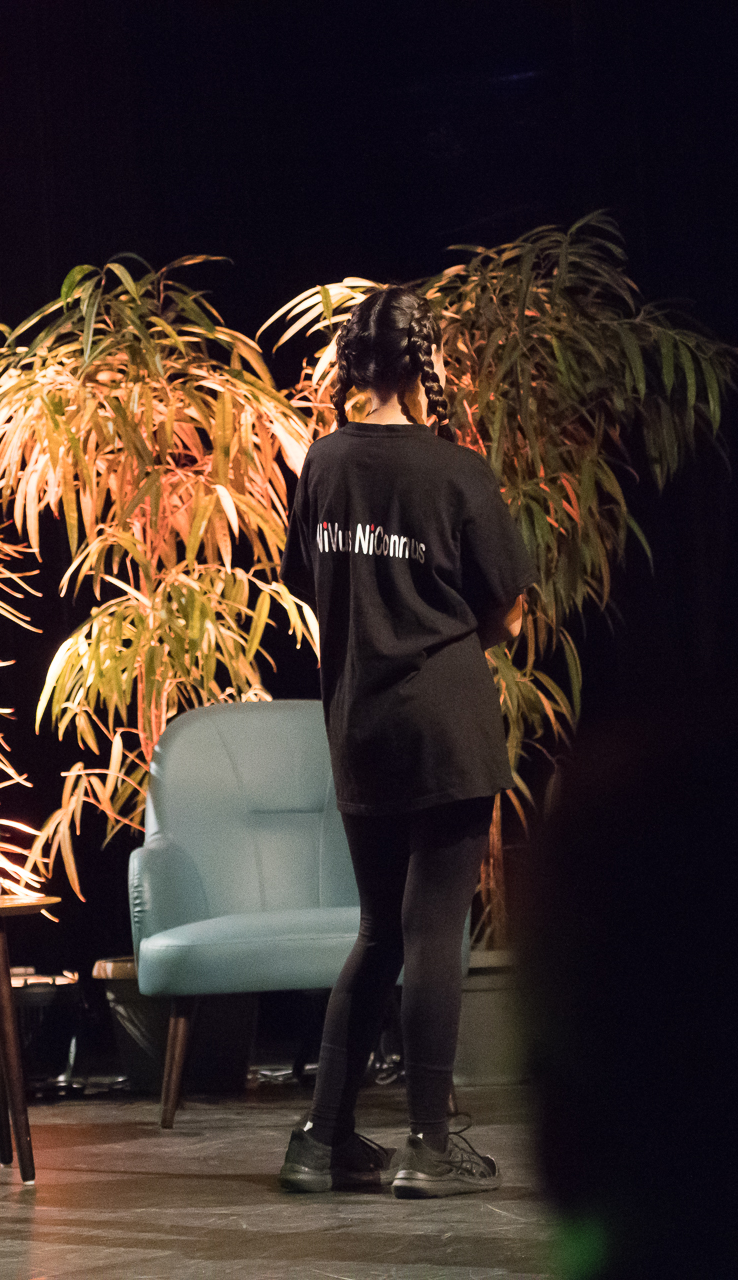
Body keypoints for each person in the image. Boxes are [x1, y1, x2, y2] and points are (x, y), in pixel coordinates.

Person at [277, 286, 534, 1198]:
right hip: (445, 723)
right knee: (432, 935)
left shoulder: (322, 463)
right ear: (425, 364)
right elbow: (507, 610)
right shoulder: (456, 471)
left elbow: (309, 580)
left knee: (378, 930)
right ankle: (429, 1145)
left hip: (359, 722)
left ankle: (321, 1139)